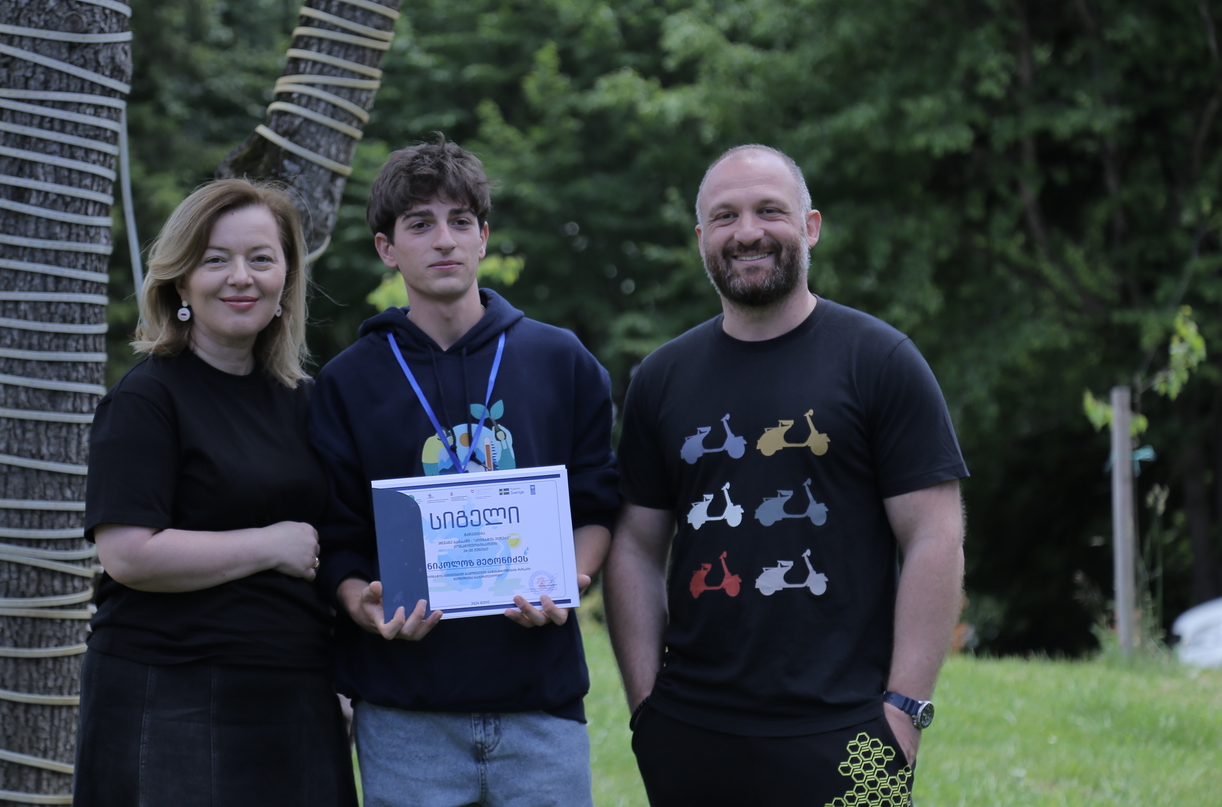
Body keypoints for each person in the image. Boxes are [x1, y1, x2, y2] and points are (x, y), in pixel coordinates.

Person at [605, 145, 967, 807]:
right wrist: (645, 709)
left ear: (810, 226)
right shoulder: (660, 378)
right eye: (725, 216)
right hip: (689, 736)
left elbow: (935, 537)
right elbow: (634, 546)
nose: (747, 232)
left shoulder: (881, 361)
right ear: (701, 238)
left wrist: (904, 714)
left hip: (853, 732)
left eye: (770, 211)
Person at [309, 137, 619, 807]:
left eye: (460, 221)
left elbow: (596, 504)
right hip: (404, 714)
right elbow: (335, 535)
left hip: (541, 707)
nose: (444, 240)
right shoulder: (346, 382)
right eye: (420, 224)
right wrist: (361, 603)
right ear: (387, 248)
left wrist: (572, 578)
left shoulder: (561, 360)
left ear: (484, 237)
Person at [74, 180, 355, 807]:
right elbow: (128, 555)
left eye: (261, 258)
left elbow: (337, 543)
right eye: (215, 259)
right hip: (169, 693)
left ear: (287, 279)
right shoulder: (146, 399)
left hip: (295, 693)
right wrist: (268, 545)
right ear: (180, 281)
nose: (241, 278)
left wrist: (343, 677)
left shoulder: (306, 402)